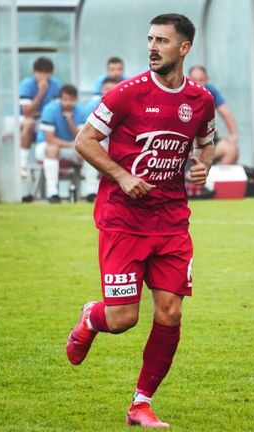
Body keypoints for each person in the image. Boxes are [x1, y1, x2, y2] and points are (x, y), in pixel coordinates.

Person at [68, 13, 215, 428]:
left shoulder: (200, 100)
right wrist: (121, 175)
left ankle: (141, 403)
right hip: (123, 221)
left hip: (171, 222)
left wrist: (202, 165)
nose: (152, 47)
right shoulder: (126, 94)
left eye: (162, 41)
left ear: (184, 48)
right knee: (123, 320)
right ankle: (92, 317)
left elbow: (206, 143)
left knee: (170, 313)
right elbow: (84, 140)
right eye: (150, 39)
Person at [33, 84, 86, 203]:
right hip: (46, 147)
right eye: (65, 99)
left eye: (71, 100)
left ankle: (91, 193)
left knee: (89, 151)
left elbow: (80, 136)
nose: (68, 103)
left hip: (71, 147)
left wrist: (69, 119)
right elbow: (50, 139)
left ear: (76, 100)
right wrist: (71, 145)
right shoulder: (50, 109)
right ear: (60, 99)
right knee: (53, 149)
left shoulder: (81, 111)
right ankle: (53, 193)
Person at [18, 57, 61, 185]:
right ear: (34, 72)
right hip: (24, 119)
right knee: (29, 123)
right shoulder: (26, 84)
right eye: (39, 72)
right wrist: (41, 92)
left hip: (44, 119)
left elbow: (56, 109)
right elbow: (27, 112)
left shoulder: (55, 84)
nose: (42, 76)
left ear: (51, 73)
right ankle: (22, 164)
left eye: (46, 73)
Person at [188, 65, 239, 164]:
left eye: (201, 80)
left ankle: (214, 173)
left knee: (232, 149)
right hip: (187, 144)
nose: (198, 84)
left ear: (207, 80)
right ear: (188, 79)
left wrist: (233, 135)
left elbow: (226, 113)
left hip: (208, 141)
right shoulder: (181, 91)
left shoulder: (211, 91)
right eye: (194, 80)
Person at [79, 78, 119, 202]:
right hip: (97, 143)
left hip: (118, 145)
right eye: (107, 89)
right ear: (101, 90)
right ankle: (91, 192)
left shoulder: (125, 105)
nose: (109, 92)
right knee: (91, 149)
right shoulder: (91, 106)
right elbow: (83, 135)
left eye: (113, 89)